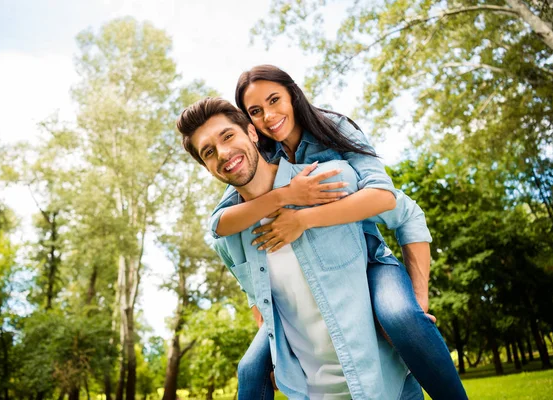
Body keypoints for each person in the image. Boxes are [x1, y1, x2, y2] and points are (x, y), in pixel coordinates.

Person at [209, 65, 468, 400]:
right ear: (249, 125)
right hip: (308, 284)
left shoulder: (333, 133)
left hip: (368, 261)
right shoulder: (261, 157)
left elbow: (384, 197)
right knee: (250, 368)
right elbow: (221, 222)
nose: (269, 116)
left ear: (293, 93)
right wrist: (285, 196)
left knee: (402, 316)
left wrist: (303, 219)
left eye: (275, 100)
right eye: (256, 111)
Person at [176, 97, 423, 400]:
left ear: (252, 133)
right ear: (207, 167)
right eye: (209, 152)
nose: (224, 153)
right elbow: (255, 296)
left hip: (386, 386)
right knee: (249, 369)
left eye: (227, 136)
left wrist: (416, 305)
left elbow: (406, 214)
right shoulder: (230, 237)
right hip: (310, 393)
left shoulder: (330, 179)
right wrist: (276, 352)